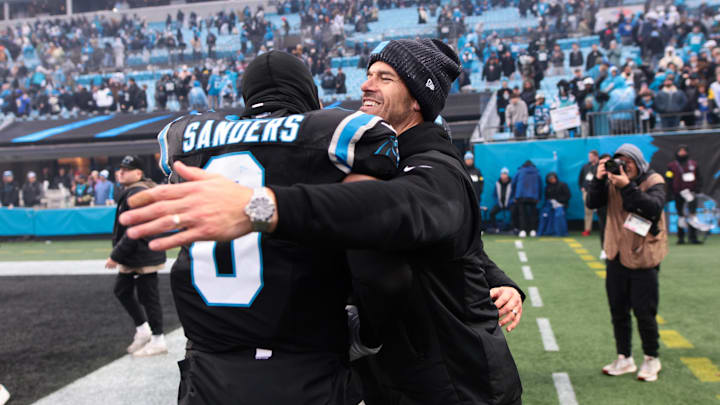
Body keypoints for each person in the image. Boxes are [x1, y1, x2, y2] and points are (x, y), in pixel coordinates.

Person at [121, 39, 524, 405]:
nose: (366, 86)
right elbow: (449, 242)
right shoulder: (368, 154)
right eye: (368, 75)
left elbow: (400, 210)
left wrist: (258, 206)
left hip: (454, 382)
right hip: (391, 374)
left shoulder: (435, 168)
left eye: (384, 78)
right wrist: (496, 277)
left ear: (419, 98)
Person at [154, 50, 400, 404]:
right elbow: (379, 150)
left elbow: (171, 154)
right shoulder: (333, 133)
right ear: (307, 92)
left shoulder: (189, 137)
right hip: (304, 367)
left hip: (207, 371)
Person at [587, 144, 667, 382]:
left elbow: (652, 207)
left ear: (638, 162)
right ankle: (625, 357)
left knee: (645, 312)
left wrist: (627, 187)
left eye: (628, 161)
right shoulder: (611, 180)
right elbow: (593, 202)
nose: (623, 167)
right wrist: (599, 179)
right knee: (618, 311)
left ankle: (652, 358)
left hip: (644, 256)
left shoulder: (653, 180)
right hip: (616, 254)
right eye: (618, 161)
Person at [106, 155, 168, 357]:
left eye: (126, 169)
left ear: (138, 173)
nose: (120, 172)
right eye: (120, 169)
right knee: (122, 290)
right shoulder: (134, 191)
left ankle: (158, 339)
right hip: (137, 254)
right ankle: (143, 330)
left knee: (148, 296)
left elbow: (136, 230)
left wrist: (116, 255)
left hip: (143, 254)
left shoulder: (138, 193)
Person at [665, 145, 702, 244]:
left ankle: (693, 237)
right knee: (681, 215)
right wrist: (670, 193)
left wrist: (697, 188)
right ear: (677, 152)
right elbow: (669, 179)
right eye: (680, 151)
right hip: (678, 194)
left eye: (684, 151)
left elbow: (698, 177)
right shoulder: (671, 166)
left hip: (691, 193)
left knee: (692, 215)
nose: (682, 153)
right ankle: (680, 238)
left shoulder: (693, 164)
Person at [511, 160, 542, 237]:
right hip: (534, 196)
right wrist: (539, 197)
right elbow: (540, 185)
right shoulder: (537, 172)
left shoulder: (520, 171)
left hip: (521, 196)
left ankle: (523, 230)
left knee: (522, 214)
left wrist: (514, 195)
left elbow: (513, 183)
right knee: (533, 214)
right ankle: (533, 230)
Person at [579, 150, 599, 236]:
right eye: (589, 156)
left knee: (602, 211)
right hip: (587, 192)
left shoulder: (601, 166)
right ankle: (587, 229)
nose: (589, 158)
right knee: (588, 211)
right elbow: (580, 178)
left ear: (596, 156)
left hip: (599, 192)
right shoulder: (585, 166)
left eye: (591, 156)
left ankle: (605, 228)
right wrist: (582, 187)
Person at [489, 167, 513, 231]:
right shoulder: (497, 183)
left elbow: (514, 195)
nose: (503, 175)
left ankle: (512, 228)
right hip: (499, 204)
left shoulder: (512, 183)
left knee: (515, 211)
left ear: (507, 175)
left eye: (505, 174)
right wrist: (498, 202)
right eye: (502, 174)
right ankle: (495, 228)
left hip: (509, 204)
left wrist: (510, 202)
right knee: (491, 213)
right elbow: (494, 195)